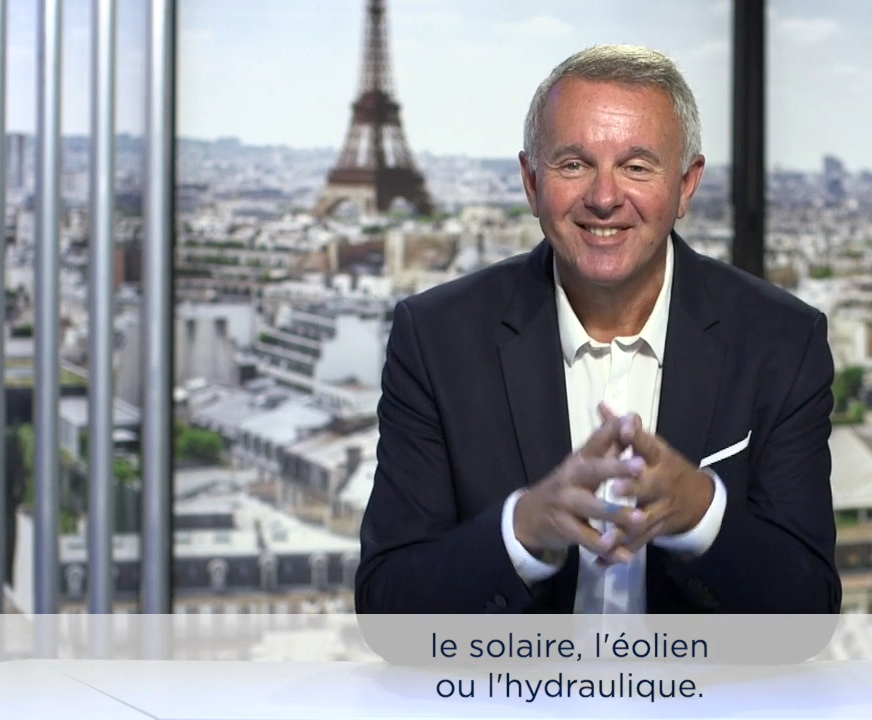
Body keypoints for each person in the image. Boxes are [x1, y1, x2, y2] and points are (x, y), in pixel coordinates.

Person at [354, 44, 841, 614]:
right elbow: (387, 609)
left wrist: (701, 514)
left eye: (636, 166)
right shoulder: (436, 340)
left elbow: (809, 612)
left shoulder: (782, 342)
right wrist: (523, 529)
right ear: (531, 181)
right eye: (574, 164)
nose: (604, 198)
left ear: (686, 185)